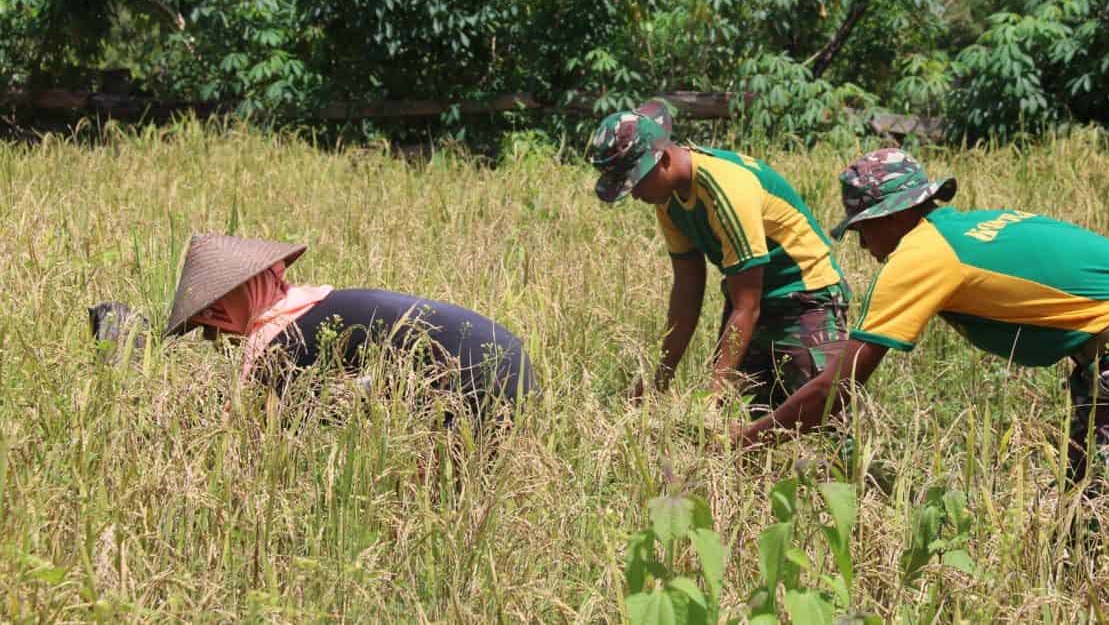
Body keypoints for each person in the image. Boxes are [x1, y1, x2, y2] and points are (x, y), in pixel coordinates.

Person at [751, 147, 1109, 522]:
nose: (866, 248)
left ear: (890, 216)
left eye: (862, 231)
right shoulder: (968, 226)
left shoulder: (921, 254)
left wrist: (744, 441)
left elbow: (836, 388)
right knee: (1089, 516)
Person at [588, 99, 854, 434]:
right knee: (742, 430)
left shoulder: (725, 188)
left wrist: (712, 398)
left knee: (822, 421)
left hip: (805, 297)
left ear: (665, 159)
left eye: (636, 182)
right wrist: (660, 381)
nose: (635, 194)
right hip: (749, 300)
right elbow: (687, 291)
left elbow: (747, 304)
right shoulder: (667, 201)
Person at [164, 233, 537, 411]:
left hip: (473, 374)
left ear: (231, 303)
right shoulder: (315, 308)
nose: (222, 338)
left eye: (214, 324)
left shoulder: (284, 340)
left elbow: (254, 435)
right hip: (510, 356)